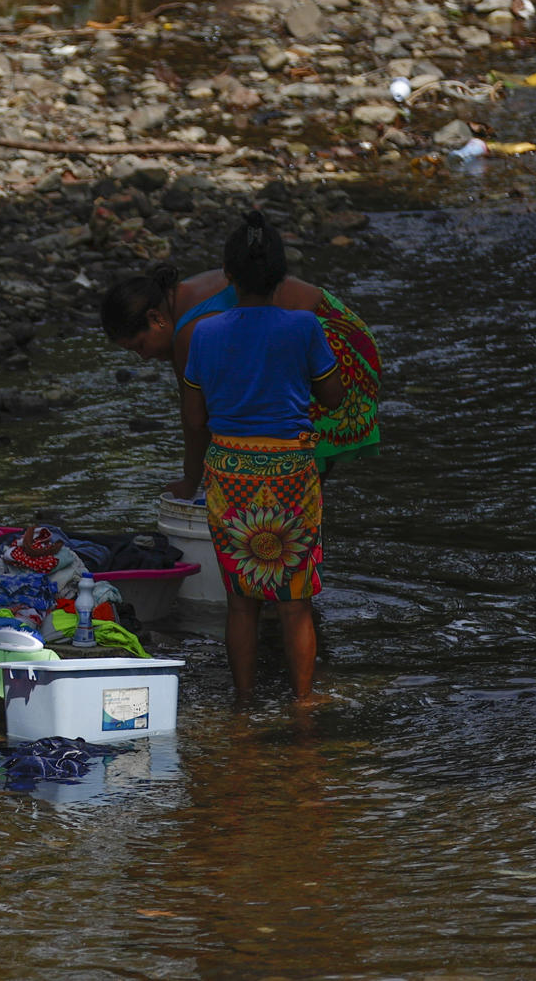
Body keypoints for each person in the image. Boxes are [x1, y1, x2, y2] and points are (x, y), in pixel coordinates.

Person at [178, 213, 345, 702]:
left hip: (230, 474)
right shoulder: (303, 327)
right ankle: (303, 703)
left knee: (240, 603)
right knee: (296, 603)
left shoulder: (204, 334)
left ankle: (245, 702)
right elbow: (333, 397)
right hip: (292, 472)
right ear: (282, 277)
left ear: (228, 276)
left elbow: (194, 418)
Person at [100, 252, 381, 495]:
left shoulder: (191, 332)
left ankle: (291, 538)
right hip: (348, 332)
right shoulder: (183, 298)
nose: (144, 356)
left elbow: (196, 420)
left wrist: (191, 480)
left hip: (334, 349)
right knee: (294, 479)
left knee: (293, 472)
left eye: (139, 346)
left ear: (155, 318)